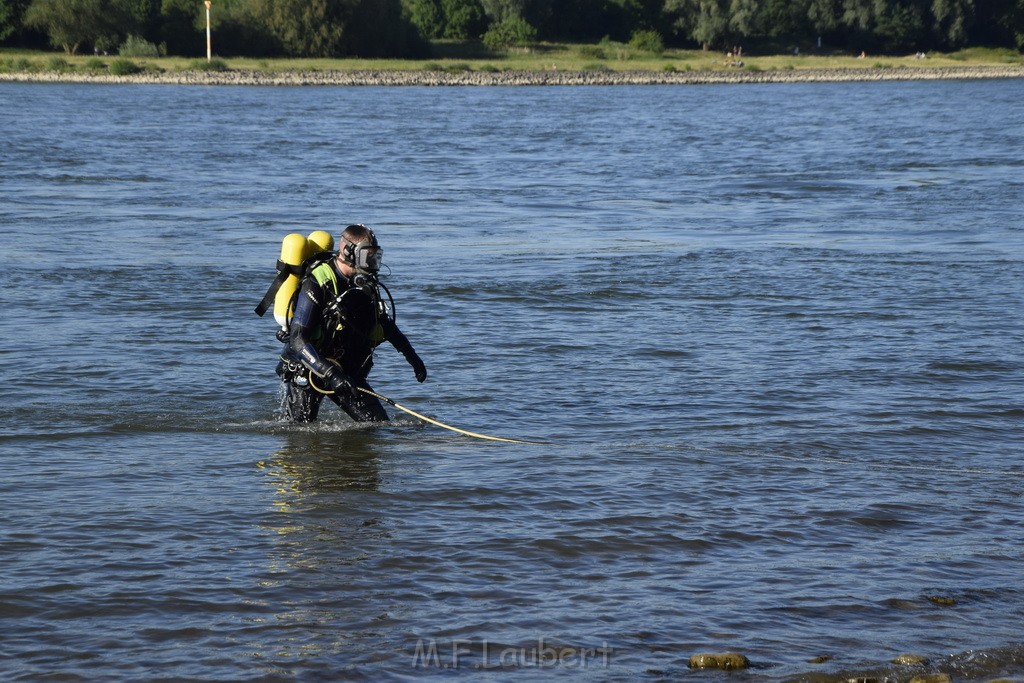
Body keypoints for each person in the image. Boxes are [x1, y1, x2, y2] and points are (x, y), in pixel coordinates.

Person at [275, 224, 427, 423]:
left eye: (376, 256)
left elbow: (384, 325)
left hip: (345, 371)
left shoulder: (365, 285)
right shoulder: (318, 281)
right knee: (300, 435)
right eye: (367, 256)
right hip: (309, 369)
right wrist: (330, 374)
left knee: (377, 426)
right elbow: (297, 339)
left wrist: (413, 358)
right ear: (348, 252)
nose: (372, 263)